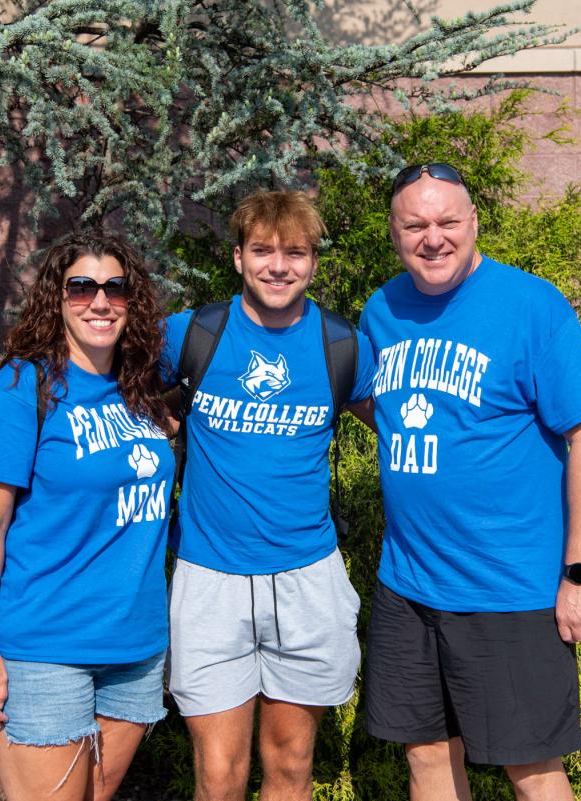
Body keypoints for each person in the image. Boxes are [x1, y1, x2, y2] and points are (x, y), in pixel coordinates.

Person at [358, 163, 581, 801]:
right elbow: (371, 403)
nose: (433, 237)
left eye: (448, 221)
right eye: (415, 224)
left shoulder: (530, 305)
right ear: (394, 234)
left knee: (531, 769)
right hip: (408, 587)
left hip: (509, 591)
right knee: (425, 757)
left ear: (474, 224)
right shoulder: (382, 310)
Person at [162, 190, 377, 801]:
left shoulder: (342, 346)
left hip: (307, 578)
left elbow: (407, 431)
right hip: (210, 580)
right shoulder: (192, 334)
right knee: (220, 777)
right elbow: (108, 386)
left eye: (295, 253)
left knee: (290, 769)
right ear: (237, 258)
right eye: (263, 251)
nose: (278, 266)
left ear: (313, 263)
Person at [0, 232, 175, 801]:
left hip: (135, 647)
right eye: (81, 287)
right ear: (56, 299)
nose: (99, 302)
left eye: (115, 289)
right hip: (44, 648)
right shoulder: (21, 388)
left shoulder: (142, 390)